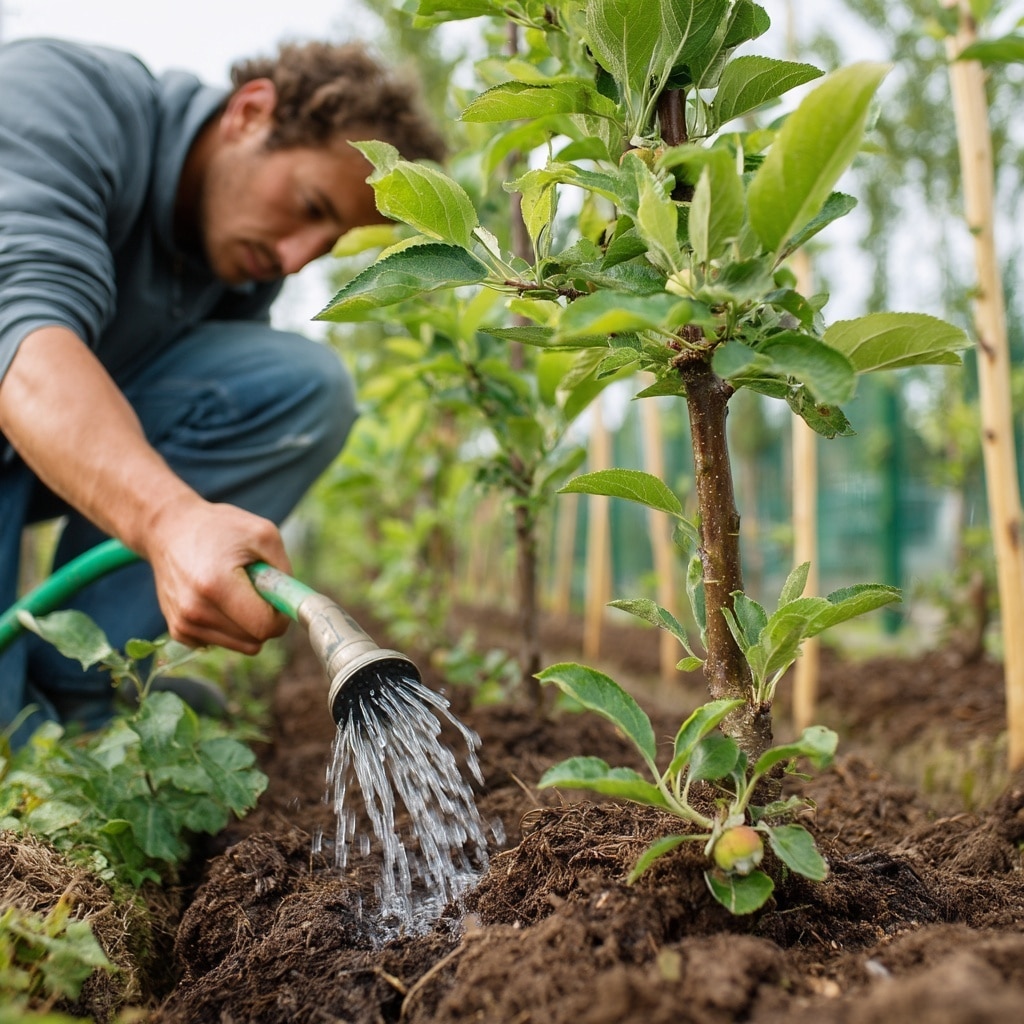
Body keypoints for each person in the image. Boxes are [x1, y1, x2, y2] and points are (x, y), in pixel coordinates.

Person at [0, 36, 446, 745]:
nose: (296, 258)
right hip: (18, 396)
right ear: (251, 111)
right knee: (7, 735)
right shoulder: (58, 98)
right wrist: (169, 521)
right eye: (308, 204)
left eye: (328, 244)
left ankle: (80, 681)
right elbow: (24, 345)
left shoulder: (239, 264)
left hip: (33, 449)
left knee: (300, 386)